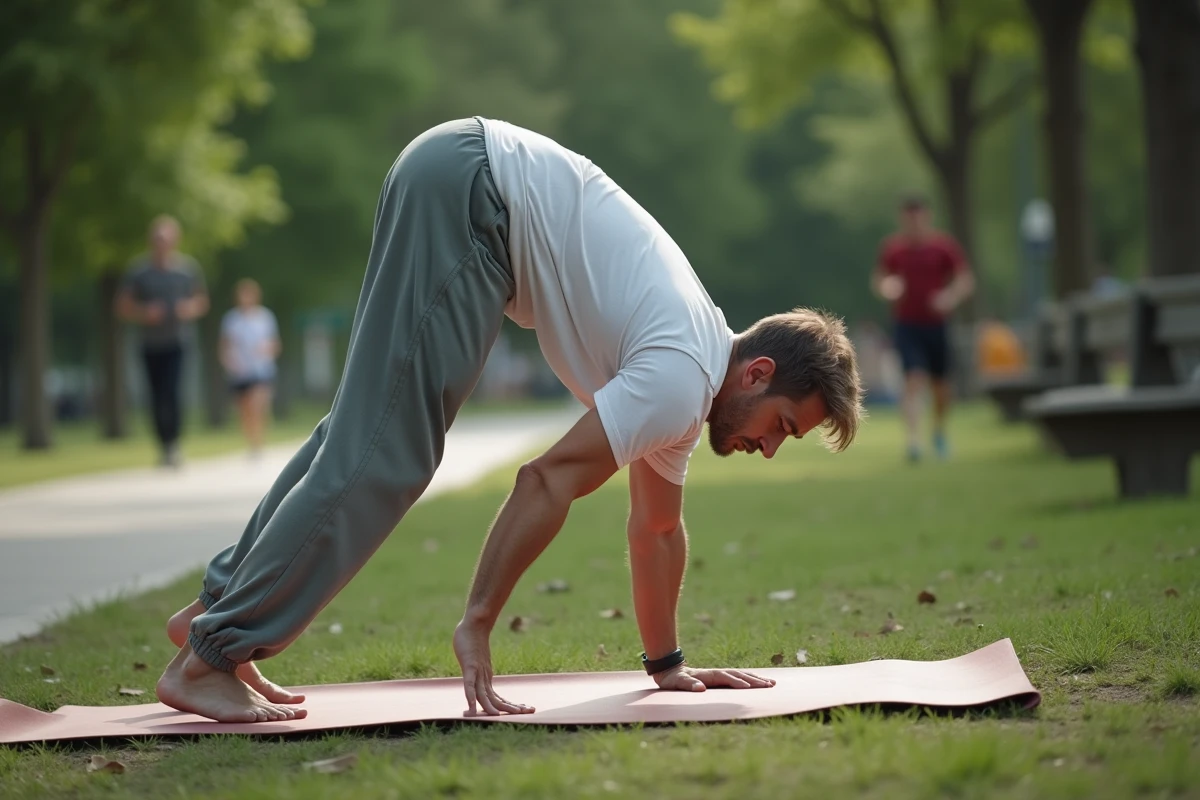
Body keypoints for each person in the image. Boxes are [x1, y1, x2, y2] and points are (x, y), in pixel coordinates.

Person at [155, 118, 864, 724]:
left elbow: (656, 528)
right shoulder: (682, 376)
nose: (769, 448)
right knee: (390, 450)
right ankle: (211, 656)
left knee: (362, 430)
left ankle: (215, 617)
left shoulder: (692, 370)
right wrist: (478, 622)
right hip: (474, 194)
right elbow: (546, 481)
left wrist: (668, 665)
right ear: (757, 374)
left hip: (461, 175)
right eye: (782, 426)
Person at [871, 195, 974, 462]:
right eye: (909, 218)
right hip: (907, 324)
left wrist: (949, 297)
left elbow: (964, 279)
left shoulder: (943, 247)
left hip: (937, 325)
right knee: (913, 379)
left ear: (927, 217)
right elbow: (880, 279)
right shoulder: (893, 249)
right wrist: (889, 288)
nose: (914, 223)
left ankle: (938, 431)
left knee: (941, 386)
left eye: (918, 217)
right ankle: (913, 441)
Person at [115, 215, 210, 467]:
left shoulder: (187, 269)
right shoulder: (139, 271)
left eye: (166, 239)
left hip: (178, 341)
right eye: (157, 239)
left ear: (175, 241)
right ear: (151, 241)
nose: (161, 244)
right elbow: (123, 306)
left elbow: (202, 302)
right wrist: (144, 312)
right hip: (150, 343)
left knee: (173, 392)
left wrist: (187, 309)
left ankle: (174, 443)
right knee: (156, 395)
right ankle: (163, 444)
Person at [220, 279, 281, 456]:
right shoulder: (231, 319)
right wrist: (228, 362)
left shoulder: (265, 317)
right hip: (240, 370)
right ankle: (252, 441)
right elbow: (224, 345)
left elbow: (275, 343)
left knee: (257, 405)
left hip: (262, 369)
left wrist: (266, 350)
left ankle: (259, 442)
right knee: (245, 409)